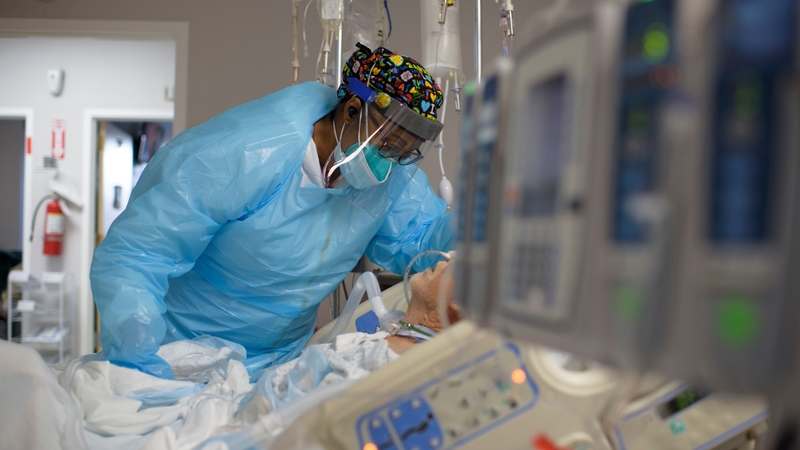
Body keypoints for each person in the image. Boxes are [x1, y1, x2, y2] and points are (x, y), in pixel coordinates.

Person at [90, 44, 454, 379]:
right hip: (178, 353)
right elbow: (139, 254)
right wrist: (139, 354)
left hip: (279, 365)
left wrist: (475, 223)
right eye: (388, 144)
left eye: (404, 152)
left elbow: (425, 242)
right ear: (352, 109)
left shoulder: (389, 178)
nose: (390, 163)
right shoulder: (248, 150)